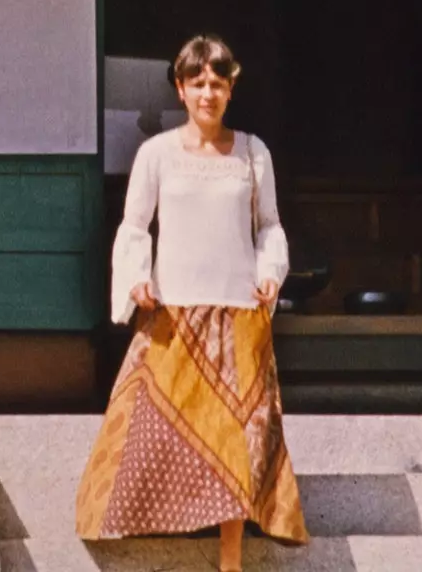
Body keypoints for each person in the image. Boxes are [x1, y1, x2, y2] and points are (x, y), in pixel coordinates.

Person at [76, 34, 308, 571]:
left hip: (237, 313)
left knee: (234, 436)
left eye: (218, 83)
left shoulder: (253, 152)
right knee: (153, 428)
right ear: (180, 90)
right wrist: (136, 281)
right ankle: (152, 532)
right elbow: (135, 226)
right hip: (174, 313)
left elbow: (269, 225)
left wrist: (271, 273)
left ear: (231, 89)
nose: (209, 93)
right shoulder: (156, 154)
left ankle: (230, 557)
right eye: (198, 83)